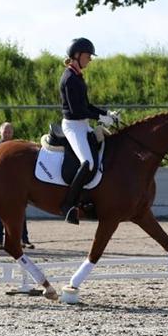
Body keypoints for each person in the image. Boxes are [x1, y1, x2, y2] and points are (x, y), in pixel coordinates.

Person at [59, 37, 118, 224]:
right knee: (88, 162)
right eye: (88, 56)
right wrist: (101, 118)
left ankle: (91, 199)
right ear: (76, 55)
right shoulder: (69, 78)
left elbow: (87, 105)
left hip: (82, 123)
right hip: (73, 126)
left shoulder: (77, 76)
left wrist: (107, 113)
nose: (90, 59)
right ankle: (68, 206)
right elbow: (77, 110)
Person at [0, 121, 33, 250]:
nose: (7, 134)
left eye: (9, 131)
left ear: (12, 133)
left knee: (21, 214)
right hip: (0, 186)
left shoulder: (17, 147)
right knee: (0, 214)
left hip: (16, 186)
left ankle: (24, 239)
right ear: (0, 132)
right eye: (5, 131)